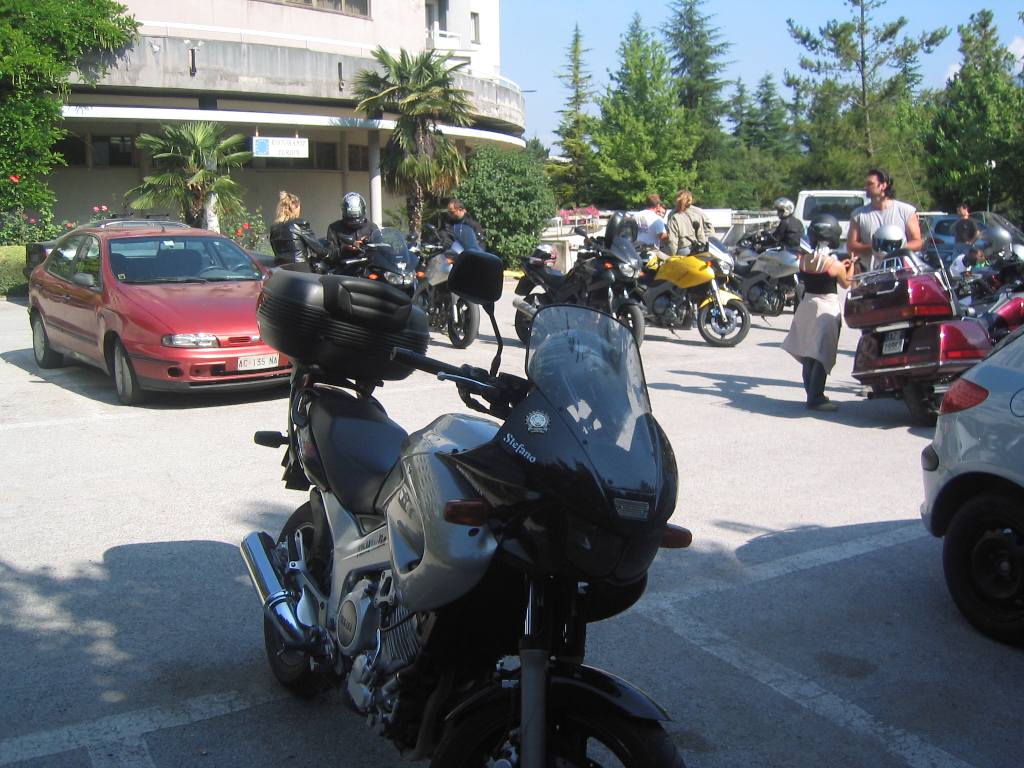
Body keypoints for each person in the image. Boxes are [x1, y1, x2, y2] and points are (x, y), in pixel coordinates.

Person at [781, 213, 855, 412]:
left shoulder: (804, 260)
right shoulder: (834, 264)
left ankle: (810, 393)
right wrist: (852, 266)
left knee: (808, 353)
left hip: (807, 305)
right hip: (826, 307)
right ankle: (816, 398)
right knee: (821, 354)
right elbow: (846, 283)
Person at [846, 168, 923, 273]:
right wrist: (876, 247)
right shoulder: (858, 215)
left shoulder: (907, 211)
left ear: (883, 185)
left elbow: (918, 242)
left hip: (901, 272)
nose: (865, 187)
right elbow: (851, 246)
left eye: (870, 184)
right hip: (871, 274)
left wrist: (895, 247)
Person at [268, 191, 328, 269]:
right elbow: (317, 248)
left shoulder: (274, 228)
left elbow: (275, 251)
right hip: (299, 268)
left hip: (280, 269)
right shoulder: (300, 224)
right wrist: (329, 252)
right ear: (296, 207)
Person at [326, 192, 381, 262]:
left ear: (363, 210)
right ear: (344, 211)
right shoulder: (334, 228)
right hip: (344, 266)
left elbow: (381, 249)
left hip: (368, 265)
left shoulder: (372, 227)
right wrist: (345, 249)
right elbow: (330, 253)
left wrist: (368, 242)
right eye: (351, 215)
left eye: (357, 214)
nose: (354, 220)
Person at [666, 190, 711, 256]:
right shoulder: (696, 215)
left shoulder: (674, 217)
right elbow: (701, 236)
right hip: (697, 250)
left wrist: (672, 256)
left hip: (683, 251)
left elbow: (672, 241)